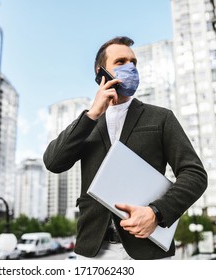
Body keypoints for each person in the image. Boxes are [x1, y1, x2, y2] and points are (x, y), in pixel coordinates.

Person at [43, 36, 207, 260]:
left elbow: (195, 174)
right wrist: (91, 115)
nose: (130, 67)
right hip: (94, 252)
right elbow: (53, 162)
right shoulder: (87, 124)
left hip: (148, 249)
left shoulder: (161, 117)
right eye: (121, 62)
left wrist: (157, 213)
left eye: (134, 62)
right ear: (101, 72)